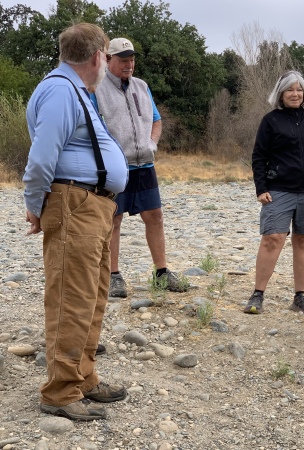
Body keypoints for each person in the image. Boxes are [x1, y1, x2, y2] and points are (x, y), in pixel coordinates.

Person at [23, 23, 129, 421]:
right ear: (99, 55)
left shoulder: (75, 91)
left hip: (92, 206)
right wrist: (35, 205)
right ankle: (60, 391)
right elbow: (41, 157)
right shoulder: (59, 91)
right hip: (74, 204)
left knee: (93, 295)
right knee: (72, 299)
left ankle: (82, 377)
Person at [92, 37, 187, 298]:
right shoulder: (96, 89)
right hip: (114, 168)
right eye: (123, 59)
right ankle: (113, 276)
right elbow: (92, 127)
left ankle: (162, 272)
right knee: (114, 219)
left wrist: (152, 144)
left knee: (155, 216)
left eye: (132, 59)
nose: (129, 64)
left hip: (144, 164)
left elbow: (156, 120)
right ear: (108, 59)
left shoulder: (142, 86)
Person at [244, 70, 304, 316]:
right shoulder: (270, 121)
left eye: (299, 89)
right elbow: (259, 156)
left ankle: (300, 296)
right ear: (281, 94)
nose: (295, 94)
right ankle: (258, 294)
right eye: (290, 90)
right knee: (272, 240)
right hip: (279, 190)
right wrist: (261, 188)